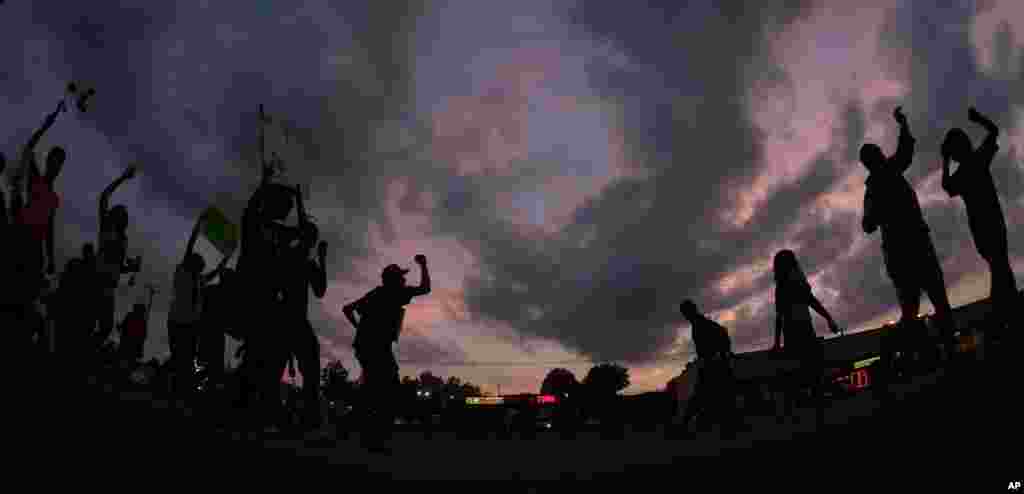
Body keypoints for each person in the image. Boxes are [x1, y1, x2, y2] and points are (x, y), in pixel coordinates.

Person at [861, 106, 957, 371]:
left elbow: (905, 150)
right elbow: (867, 224)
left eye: (880, 153)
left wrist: (903, 124)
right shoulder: (879, 183)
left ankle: (938, 350)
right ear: (873, 161)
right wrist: (880, 211)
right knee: (921, 305)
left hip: (910, 247)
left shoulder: (886, 174)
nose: (882, 156)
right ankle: (914, 351)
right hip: (905, 251)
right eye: (877, 155)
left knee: (928, 302)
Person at [941, 107, 1018, 341]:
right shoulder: (978, 160)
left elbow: (947, 187)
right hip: (992, 222)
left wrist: (943, 162)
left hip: (981, 227)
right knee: (1000, 267)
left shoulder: (964, 172)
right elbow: (994, 131)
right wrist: (979, 119)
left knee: (1000, 267)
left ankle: (1003, 314)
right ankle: (1002, 315)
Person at [343, 255, 431, 451]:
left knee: (374, 389)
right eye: (401, 277)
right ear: (394, 280)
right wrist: (423, 265)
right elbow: (425, 288)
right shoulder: (394, 292)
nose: (404, 280)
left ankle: (357, 428)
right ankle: (375, 438)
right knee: (387, 390)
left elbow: (347, 309)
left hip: (364, 346)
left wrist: (359, 327)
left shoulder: (375, 293)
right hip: (376, 347)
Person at [274, 189, 328, 430]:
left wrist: (321, 260)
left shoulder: (297, 258)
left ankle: (305, 414)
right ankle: (305, 415)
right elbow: (320, 290)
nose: (312, 242)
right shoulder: (297, 258)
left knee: (307, 366)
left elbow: (319, 290)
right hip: (291, 319)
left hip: (290, 319)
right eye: (311, 239)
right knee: (306, 366)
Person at [168, 212, 231, 408]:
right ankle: (173, 389)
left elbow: (212, 274)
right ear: (193, 264)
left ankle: (180, 392)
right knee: (180, 358)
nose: (201, 268)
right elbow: (190, 246)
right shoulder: (183, 272)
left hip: (190, 325)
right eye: (199, 265)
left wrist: (225, 260)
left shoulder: (198, 279)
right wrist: (198, 225)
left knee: (186, 361)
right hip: (177, 322)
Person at [771, 250, 840, 427]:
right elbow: (810, 302)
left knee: (803, 375)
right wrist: (828, 318)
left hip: (796, 333)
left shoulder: (783, 286)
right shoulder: (794, 284)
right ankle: (816, 412)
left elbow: (781, 316)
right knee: (812, 373)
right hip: (801, 332)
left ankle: (806, 413)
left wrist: (777, 342)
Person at [675, 300, 738, 437]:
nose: (685, 316)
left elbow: (722, 333)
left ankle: (683, 426)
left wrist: (722, 354)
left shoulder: (700, 324)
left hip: (713, 365)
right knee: (715, 396)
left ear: (689, 311)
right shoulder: (699, 323)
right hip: (712, 364)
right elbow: (722, 333)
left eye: (685, 313)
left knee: (702, 396)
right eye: (684, 313)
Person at [95, 166, 138, 346]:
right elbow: (104, 197)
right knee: (96, 323)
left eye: (125, 216)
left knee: (105, 327)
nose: (124, 217)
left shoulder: (123, 240)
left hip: (109, 287)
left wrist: (131, 268)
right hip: (98, 280)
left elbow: (120, 267)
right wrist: (122, 178)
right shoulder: (107, 227)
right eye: (121, 213)